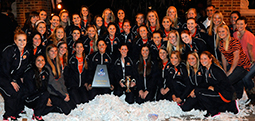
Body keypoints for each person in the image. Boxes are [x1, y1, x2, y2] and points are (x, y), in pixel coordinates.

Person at [195, 51, 239, 117]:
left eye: (205, 59)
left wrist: (214, 88)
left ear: (210, 59)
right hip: (217, 91)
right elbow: (204, 83)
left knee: (200, 93)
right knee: (198, 91)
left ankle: (213, 111)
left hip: (224, 94)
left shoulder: (215, 70)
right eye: (201, 59)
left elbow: (225, 83)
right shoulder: (205, 69)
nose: (202, 61)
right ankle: (215, 108)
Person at [0, 29, 31, 120]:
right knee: (11, 93)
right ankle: (8, 114)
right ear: (15, 41)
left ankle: (17, 111)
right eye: (19, 40)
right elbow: (4, 68)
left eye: (24, 40)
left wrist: (17, 78)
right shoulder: (9, 50)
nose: (22, 42)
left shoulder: (26, 52)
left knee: (22, 90)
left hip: (13, 77)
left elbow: (21, 68)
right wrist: (11, 81)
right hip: (3, 77)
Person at [217, 24, 251, 99]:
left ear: (227, 32)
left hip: (242, 65)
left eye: (223, 31)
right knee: (235, 82)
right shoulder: (221, 43)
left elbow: (236, 57)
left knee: (228, 80)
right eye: (219, 32)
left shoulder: (234, 41)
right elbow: (223, 57)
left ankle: (234, 98)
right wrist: (225, 70)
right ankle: (238, 98)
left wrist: (230, 71)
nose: (221, 33)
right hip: (232, 64)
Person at [45, 44, 73, 115]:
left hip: (58, 92)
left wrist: (65, 92)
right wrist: (63, 95)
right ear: (48, 52)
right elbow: (51, 83)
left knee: (72, 105)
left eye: (55, 51)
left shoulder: (57, 64)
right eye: (52, 51)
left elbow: (61, 80)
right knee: (66, 110)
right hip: (51, 93)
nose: (54, 53)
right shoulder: (46, 65)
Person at [23, 55, 49, 121]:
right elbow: (31, 90)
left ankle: (38, 109)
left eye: (42, 60)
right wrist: (43, 96)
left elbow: (45, 86)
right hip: (29, 98)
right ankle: (37, 114)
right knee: (45, 94)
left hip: (39, 95)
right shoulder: (30, 72)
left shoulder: (45, 72)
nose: (40, 62)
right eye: (38, 60)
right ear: (34, 61)